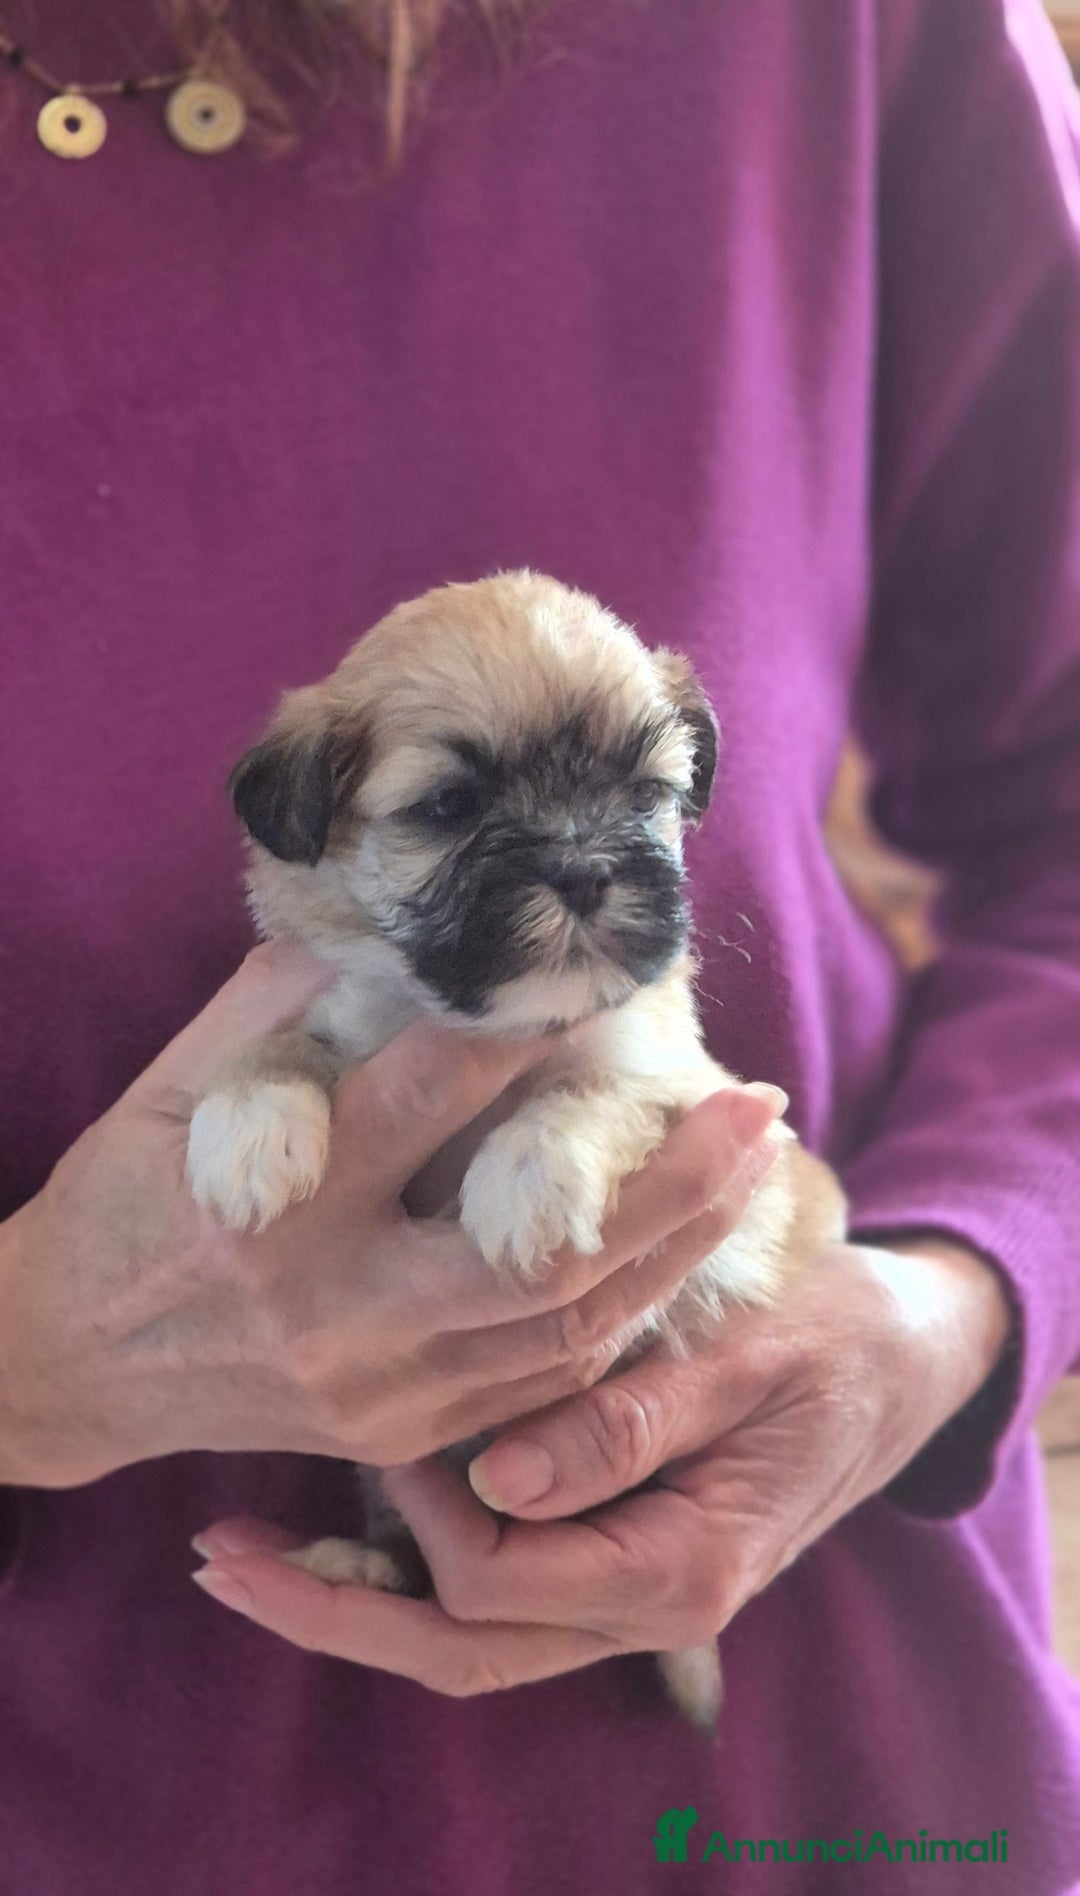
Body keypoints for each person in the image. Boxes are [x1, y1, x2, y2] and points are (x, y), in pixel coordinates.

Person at [1, 1, 1078, 1891]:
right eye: (447, 812)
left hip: (807, 1748)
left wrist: (941, 1309)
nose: (578, 874)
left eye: (641, 799)